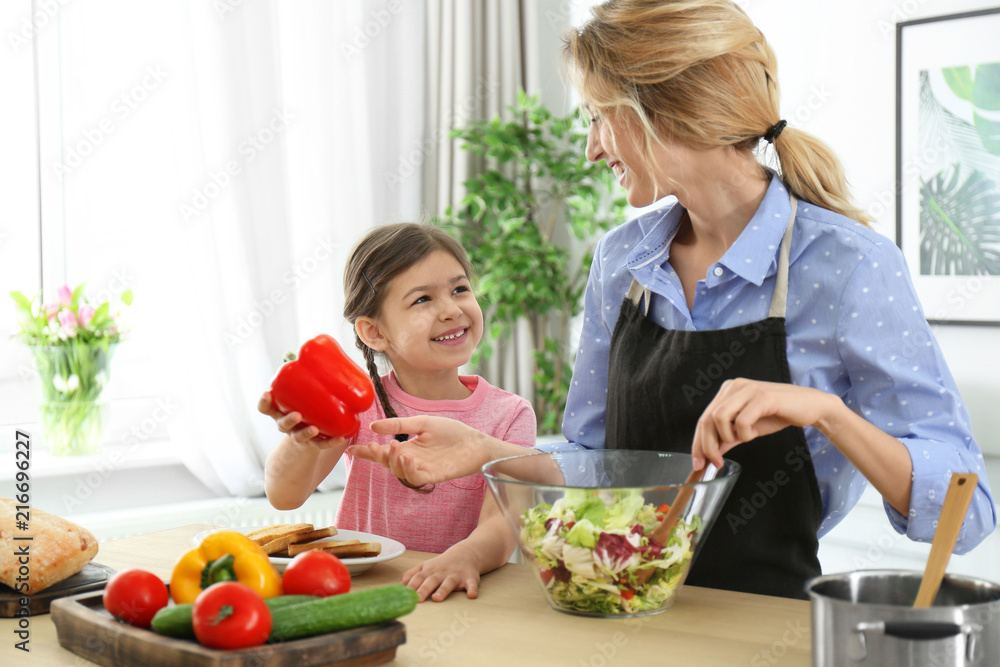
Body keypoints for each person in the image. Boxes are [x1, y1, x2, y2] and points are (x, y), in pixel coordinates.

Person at [348, 0, 996, 600]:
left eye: (600, 116)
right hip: (616, 607)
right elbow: (601, 463)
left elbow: (967, 514)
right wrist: (484, 450)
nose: (592, 146)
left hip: (761, 624)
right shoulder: (620, 261)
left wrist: (826, 412)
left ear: (671, 109)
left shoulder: (847, 265)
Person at [260, 222, 536, 602]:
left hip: (456, 592)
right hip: (362, 592)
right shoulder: (360, 406)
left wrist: (465, 558)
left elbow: (505, 518)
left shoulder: (509, 415)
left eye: (460, 289)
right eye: (423, 299)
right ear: (374, 333)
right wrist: (300, 440)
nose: (451, 309)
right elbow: (284, 495)